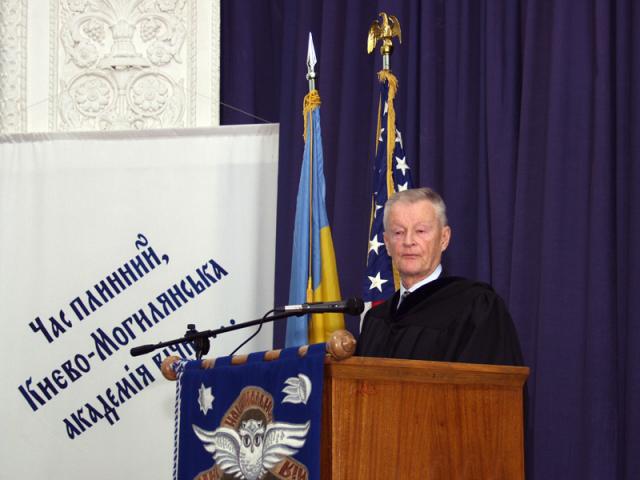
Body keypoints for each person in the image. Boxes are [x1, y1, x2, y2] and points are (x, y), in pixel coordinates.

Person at [356, 187, 524, 366]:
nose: (408, 241)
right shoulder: (376, 320)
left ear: (444, 238)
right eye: (398, 232)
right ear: (387, 243)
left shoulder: (476, 308)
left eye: (421, 231)